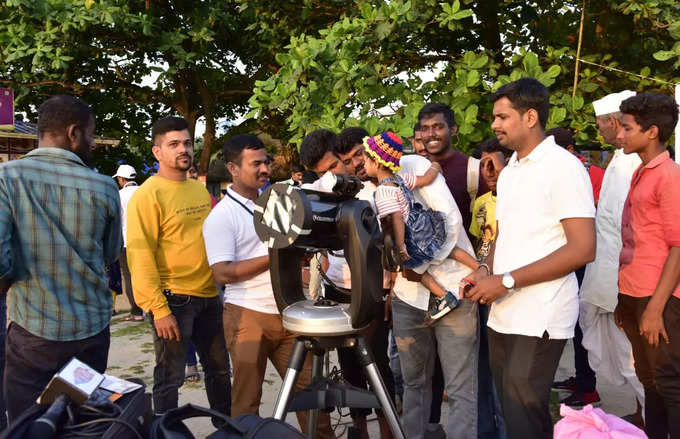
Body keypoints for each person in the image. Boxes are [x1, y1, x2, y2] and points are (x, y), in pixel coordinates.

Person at [466, 78, 596, 439]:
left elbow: (583, 249)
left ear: (530, 117)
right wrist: (483, 270)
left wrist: (506, 281)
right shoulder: (511, 173)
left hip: (541, 311)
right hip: (504, 312)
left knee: (525, 412)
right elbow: (505, 235)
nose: (494, 125)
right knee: (511, 410)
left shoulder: (562, 167)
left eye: (502, 117)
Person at [0, 95, 122, 421]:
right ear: (73, 133)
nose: (93, 143)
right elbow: (111, 253)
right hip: (91, 332)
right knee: (81, 421)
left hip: (34, 333)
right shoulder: (105, 186)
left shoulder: (7, 178)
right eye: (91, 134)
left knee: (28, 424)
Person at [203, 134, 334, 438]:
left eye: (266, 161)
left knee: (312, 396)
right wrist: (275, 253)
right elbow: (222, 273)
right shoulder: (222, 216)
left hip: (291, 312)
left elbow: (290, 249)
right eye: (256, 163)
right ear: (233, 168)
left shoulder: (276, 205)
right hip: (248, 315)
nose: (265, 168)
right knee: (247, 404)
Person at [126, 116, 230, 418]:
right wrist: (159, 309)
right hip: (174, 301)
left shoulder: (198, 190)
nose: (183, 149)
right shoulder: (147, 195)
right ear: (157, 152)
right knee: (170, 378)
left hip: (210, 296)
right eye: (173, 144)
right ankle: (164, 429)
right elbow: (140, 254)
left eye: (186, 142)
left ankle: (226, 428)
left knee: (220, 371)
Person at [300, 128, 393, 439]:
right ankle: (357, 429)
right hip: (336, 291)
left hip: (371, 293)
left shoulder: (371, 191)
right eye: (321, 173)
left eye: (332, 168)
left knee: (378, 368)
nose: (329, 177)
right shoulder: (317, 192)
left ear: (341, 156)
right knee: (351, 370)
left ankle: (388, 428)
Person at [391, 152, 479, 439]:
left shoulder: (409, 167)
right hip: (408, 299)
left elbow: (450, 224)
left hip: (455, 287)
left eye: (358, 156)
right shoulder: (362, 189)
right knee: (413, 383)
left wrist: (417, 262)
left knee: (459, 387)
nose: (353, 165)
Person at [615, 92, 680, 439]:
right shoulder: (642, 171)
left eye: (626, 128)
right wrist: (623, 300)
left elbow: (678, 246)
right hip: (635, 294)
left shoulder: (669, 175)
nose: (620, 135)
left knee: (669, 383)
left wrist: (655, 309)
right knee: (650, 380)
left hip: (660, 298)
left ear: (651, 131)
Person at [362, 131, 479, 322]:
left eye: (366, 161)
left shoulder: (383, 192)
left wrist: (400, 247)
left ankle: (443, 296)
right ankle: (479, 266)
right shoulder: (401, 179)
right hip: (425, 224)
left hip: (411, 237)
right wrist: (434, 167)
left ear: (376, 163)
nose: (363, 165)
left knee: (414, 271)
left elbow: (396, 220)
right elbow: (426, 179)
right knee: (448, 249)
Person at [577, 90, 645, 419]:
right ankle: (639, 411)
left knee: (632, 356)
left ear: (614, 122)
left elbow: (630, 228)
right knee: (614, 352)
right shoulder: (620, 157)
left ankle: (654, 418)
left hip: (625, 280)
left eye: (600, 123)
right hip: (606, 276)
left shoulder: (634, 162)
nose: (598, 129)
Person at [468, 137, 512, 439]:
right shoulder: (482, 203)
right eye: (483, 165)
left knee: (508, 375)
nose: (489, 170)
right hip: (483, 289)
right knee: (482, 367)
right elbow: (478, 243)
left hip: (510, 289)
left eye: (494, 163)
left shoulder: (519, 198)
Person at [417, 103, 488, 240]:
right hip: (423, 259)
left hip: (465, 257)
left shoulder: (473, 169)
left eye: (438, 127)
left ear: (453, 130)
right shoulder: (415, 168)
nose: (431, 134)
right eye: (425, 129)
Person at [113, 164, 144, 322]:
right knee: (146, 274)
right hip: (146, 240)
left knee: (129, 276)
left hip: (127, 242)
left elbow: (116, 220)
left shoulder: (119, 195)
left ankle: (137, 311)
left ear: (121, 179)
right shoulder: (145, 192)